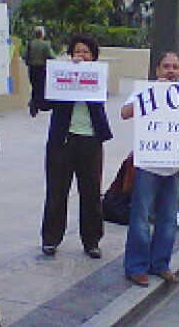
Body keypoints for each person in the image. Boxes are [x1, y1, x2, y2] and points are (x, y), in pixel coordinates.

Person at [40, 34, 112, 259]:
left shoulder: (97, 76)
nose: (81, 55)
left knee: (91, 191)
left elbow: (100, 102)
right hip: (63, 140)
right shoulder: (61, 74)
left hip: (90, 139)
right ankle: (51, 238)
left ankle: (92, 240)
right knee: (57, 190)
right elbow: (45, 102)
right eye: (77, 51)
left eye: (86, 52)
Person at [122, 52, 179, 287]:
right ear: (157, 70)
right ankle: (136, 267)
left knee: (168, 221)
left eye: (174, 67)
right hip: (148, 166)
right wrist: (148, 98)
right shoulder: (144, 90)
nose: (170, 71)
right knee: (140, 219)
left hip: (173, 168)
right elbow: (125, 112)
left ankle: (161, 265)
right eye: (166, 66)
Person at [21, 25, 56, 117]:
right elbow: (51, 56)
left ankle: (34, 104)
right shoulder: (45, 44)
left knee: (34, 86)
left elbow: (23, 56)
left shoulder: (29, 44)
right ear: (42, 34)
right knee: (41, 86)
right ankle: (40, 104)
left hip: (32, 68)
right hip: (42, 68)